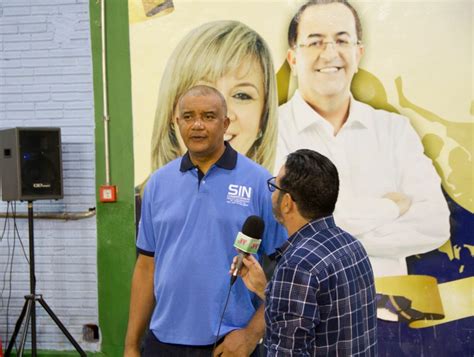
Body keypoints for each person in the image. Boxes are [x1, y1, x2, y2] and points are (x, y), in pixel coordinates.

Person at [275, 0, 450, 279]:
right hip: (311, 311)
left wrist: (328, 233)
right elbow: (287, 228)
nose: (330, 53)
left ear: (358, 54)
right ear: (293, 59)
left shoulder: (394, 130)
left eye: (342, 40)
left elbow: (436, 224)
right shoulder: (273, 131)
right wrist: (390, 207)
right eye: (315, 42)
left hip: (394, 310)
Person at [125, 85, 287, 357]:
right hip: (163, 342)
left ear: (225, 123)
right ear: (177, 122)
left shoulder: (259, 183)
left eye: (208, 116)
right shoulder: (157, 184)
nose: (197, 125)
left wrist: (251, 335)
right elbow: (145, 267)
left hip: (230, 344)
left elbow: (287, 270)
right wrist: (131, 346)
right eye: (188, 116)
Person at [233, 149, 377, 356]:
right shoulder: (351, 245)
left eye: (275, 187)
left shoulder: (296, 266)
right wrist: (267, 290)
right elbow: (321, 312)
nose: (271, 194)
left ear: (287, 203)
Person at [149, 20, 278, 176]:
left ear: (263, 118)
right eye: (204, 91)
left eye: (241, 95)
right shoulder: (142, 198)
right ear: (172, 112)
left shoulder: (277, 198)